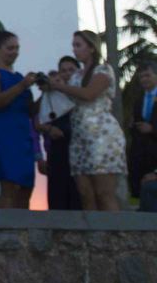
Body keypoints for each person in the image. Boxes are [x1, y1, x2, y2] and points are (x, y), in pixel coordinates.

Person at [47, 30, 126, 211]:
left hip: (102, 137)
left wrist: (59, 86)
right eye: (73, 45)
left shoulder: (103, 70)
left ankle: (112, 235)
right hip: (80, 138)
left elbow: (89, 94)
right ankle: (92, 237)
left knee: (103, 193)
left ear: (91, 47)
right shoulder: (76, 76)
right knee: (85, 194)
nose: (74, 50)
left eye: (78, 45)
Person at [0, 31, 39, 209]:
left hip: (21, 133)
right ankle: (5, 230)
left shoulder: (19, 77)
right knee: (9, 184)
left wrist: (46, 92)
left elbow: (30, 110)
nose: (15, 52)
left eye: (17, 48)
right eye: (10, 48)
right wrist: (22, 86)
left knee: (26, 185)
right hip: (1, 131)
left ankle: (23, 228)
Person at [37, 57, 81, 210]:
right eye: (63, 71)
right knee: (59, 192)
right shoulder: (50, 94)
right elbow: (37, 122)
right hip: (59, 149)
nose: (67, 74)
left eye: (71, 70)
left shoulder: (82, 91)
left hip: (80, 148)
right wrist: (49, 129)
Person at [128, 62, 157, 198]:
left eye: (148, 75)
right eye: (141, 77)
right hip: (141, 153)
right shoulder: (139, 100)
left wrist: (152, 129)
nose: (144, 79)